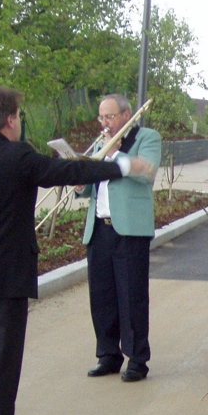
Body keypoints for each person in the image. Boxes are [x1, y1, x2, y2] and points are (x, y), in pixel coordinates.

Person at [0, 85, 153, 415]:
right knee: (2, 358)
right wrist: (123, 165)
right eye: (19, 118)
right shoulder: (18, 156)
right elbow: (68, 170)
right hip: (5, 273)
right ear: (10, 121)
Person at [79, 94, 162, 383]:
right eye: (101, 117)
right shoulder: (102, 145)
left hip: (129, 230)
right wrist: (81, 183)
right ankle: (108, 355)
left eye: (109, 117)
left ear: (126, 115)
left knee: (132, 296)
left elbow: (146, 173)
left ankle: (137, 359)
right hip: (99, 228)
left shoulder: (146, 137)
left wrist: (113, 153)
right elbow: (95, 186)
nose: (104, 123)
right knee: (101, 296)